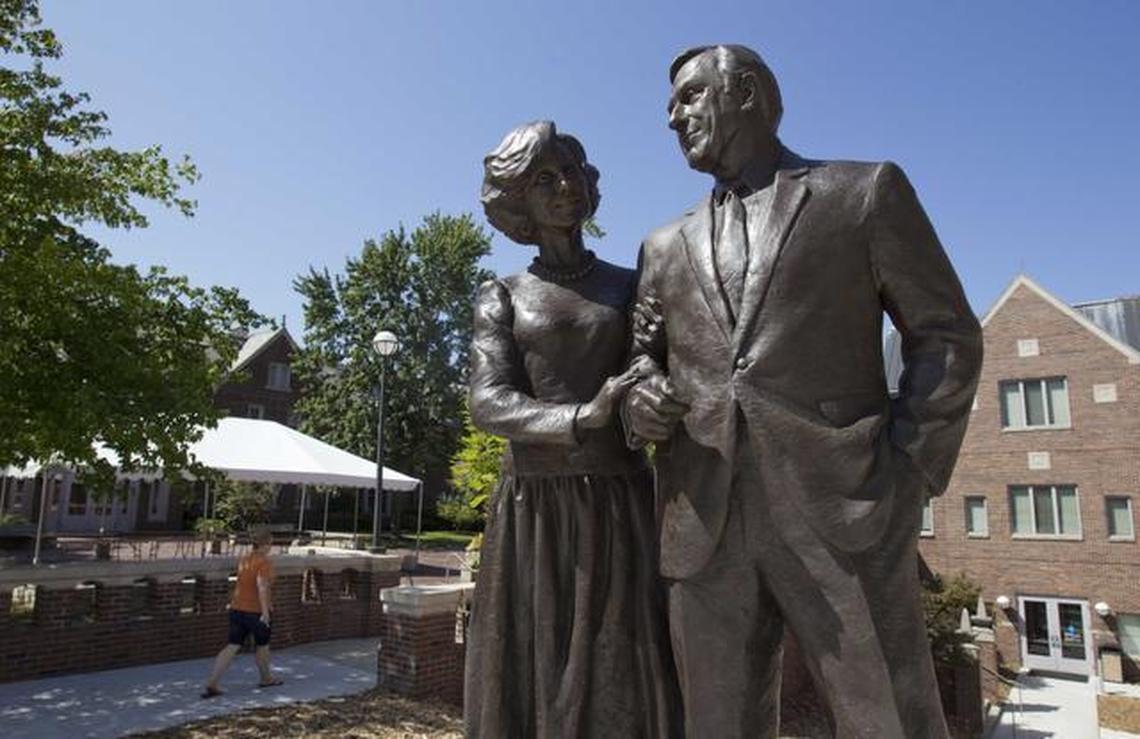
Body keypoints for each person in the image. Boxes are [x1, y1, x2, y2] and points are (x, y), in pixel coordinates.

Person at [623, 45, 983, 738]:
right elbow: (645, 360)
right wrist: (641, 397)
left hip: (843, 509)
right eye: (669, 106)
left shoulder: (864, 193)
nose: (673, 117)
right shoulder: (663, 245)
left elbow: (946, 337)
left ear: (748, 92)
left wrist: (908, 469)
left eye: (690, 97)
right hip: (703, 516)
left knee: (888, 716)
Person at [464, 120, 680, 738]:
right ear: (519, 202)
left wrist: (645, 397)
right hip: (536, 507)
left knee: (622, 660)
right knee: (536, 658)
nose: (564, 187)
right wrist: (582, 416)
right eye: (543, 180)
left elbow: (653, 365)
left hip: (618, 500)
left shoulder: (628, 285)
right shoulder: (502, 295)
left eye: (571, 173)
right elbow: (489, 402)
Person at [201, 527, 282, 698]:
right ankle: (266, 678)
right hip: (256, 611)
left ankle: (212, 681)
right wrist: (265, 612)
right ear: (265, 544)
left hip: (237, 608)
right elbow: (262, 586)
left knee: (232, 645)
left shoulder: (245, 560)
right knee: (262, 645)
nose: (271, 547)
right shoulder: (264, 563)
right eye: (270, 543)